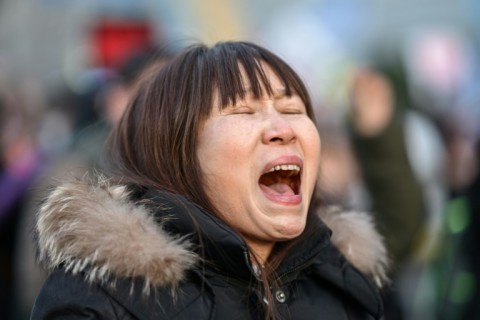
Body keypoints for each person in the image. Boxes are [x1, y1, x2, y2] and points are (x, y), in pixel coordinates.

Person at [31, 41, 388, 320]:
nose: (283, 130)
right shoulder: (98, 303)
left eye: (293, 110)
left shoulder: (346, 286)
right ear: (176, 150)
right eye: (245, 111)